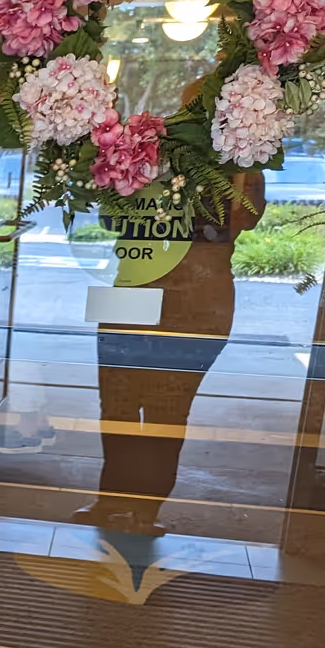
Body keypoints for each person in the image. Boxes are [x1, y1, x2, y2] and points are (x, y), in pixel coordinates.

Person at [81, 168, 264, 531]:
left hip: (195, 297)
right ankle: (113, 499)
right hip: (131, 287)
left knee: (167, 409)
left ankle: (146, 509)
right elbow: (107, 217)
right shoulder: (132, 152)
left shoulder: (240, 159)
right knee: (117, 403)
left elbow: (246, 217)